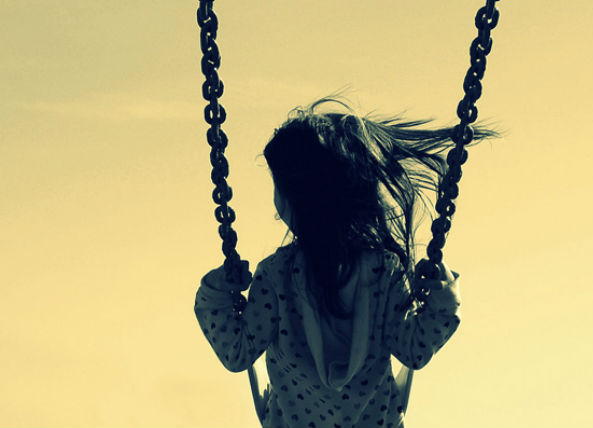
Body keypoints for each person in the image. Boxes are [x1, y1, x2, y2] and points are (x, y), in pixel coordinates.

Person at [194, 95, 500, 428]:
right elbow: (414, 350)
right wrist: (442, 300)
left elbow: (238, 352)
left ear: (296, 201)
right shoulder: (383, 271)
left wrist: (217, 293)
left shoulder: (276, 275)